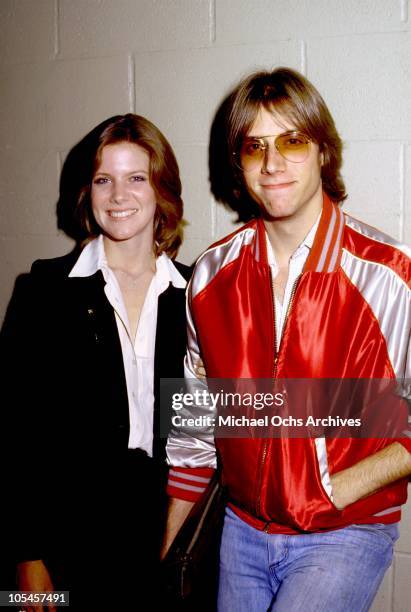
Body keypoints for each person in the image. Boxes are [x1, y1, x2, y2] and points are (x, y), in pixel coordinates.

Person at [162, 68, 411, 611]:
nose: (273, 164)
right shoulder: (209, 276)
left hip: (344, 532)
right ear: (239, 162)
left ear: (323, 150)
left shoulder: (387, 275)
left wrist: (332, 491)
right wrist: (170, 550)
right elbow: (196, 423)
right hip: (240, 529)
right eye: (255, 147)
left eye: (292, 141)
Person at [1, 113, 190, 609]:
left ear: (161, 191)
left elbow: (207, 430)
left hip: (173, 535)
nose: (119, 195)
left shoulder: (198, 294)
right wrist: (26, 555)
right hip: (69, 545)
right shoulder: (44, 291)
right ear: (88, 191)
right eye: (104, 179)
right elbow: (15, 433)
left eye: (136, 178)